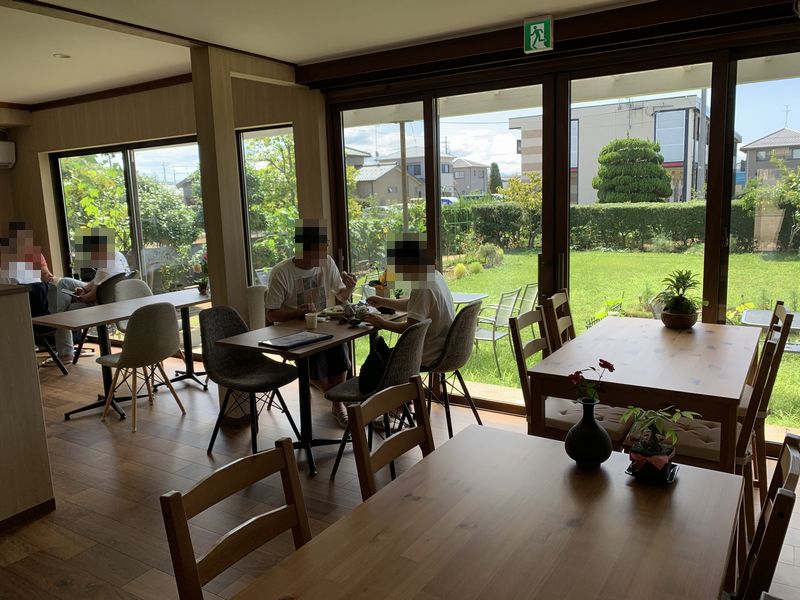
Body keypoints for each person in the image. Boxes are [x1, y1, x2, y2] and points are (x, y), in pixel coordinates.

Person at [266, 219, 357, 427]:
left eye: (326, 249)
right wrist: (298, 312)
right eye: (321, 250)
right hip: (291, 332)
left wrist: (350, 288)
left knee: (339, 346)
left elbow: (341, 296)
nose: (325, 255)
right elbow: (271, 315)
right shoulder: (281, 272)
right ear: (304, 250)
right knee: (315, 355)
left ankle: (336, 399)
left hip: (322, 325)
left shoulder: (326, 262)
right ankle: (337, 401)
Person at [363, 234, 455, 369]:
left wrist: (382, 323)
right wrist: (383, 301)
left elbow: (411, 328)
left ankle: (393, 383)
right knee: (379, 357)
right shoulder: (435, 275)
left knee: (373, 365)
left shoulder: (422, 286)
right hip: (443, 348)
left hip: (427, 353)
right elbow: (416, 305)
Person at [48, 228, 130, 362]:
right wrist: (84, 289)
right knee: (65, 282)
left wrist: (80, 297)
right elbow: (99, 281)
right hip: (119, 300)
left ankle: (64, 349)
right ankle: (61, 323)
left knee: (67, 309)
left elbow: (92, 297)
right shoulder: (117, 256)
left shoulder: (104, 267)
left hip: (104, 306)